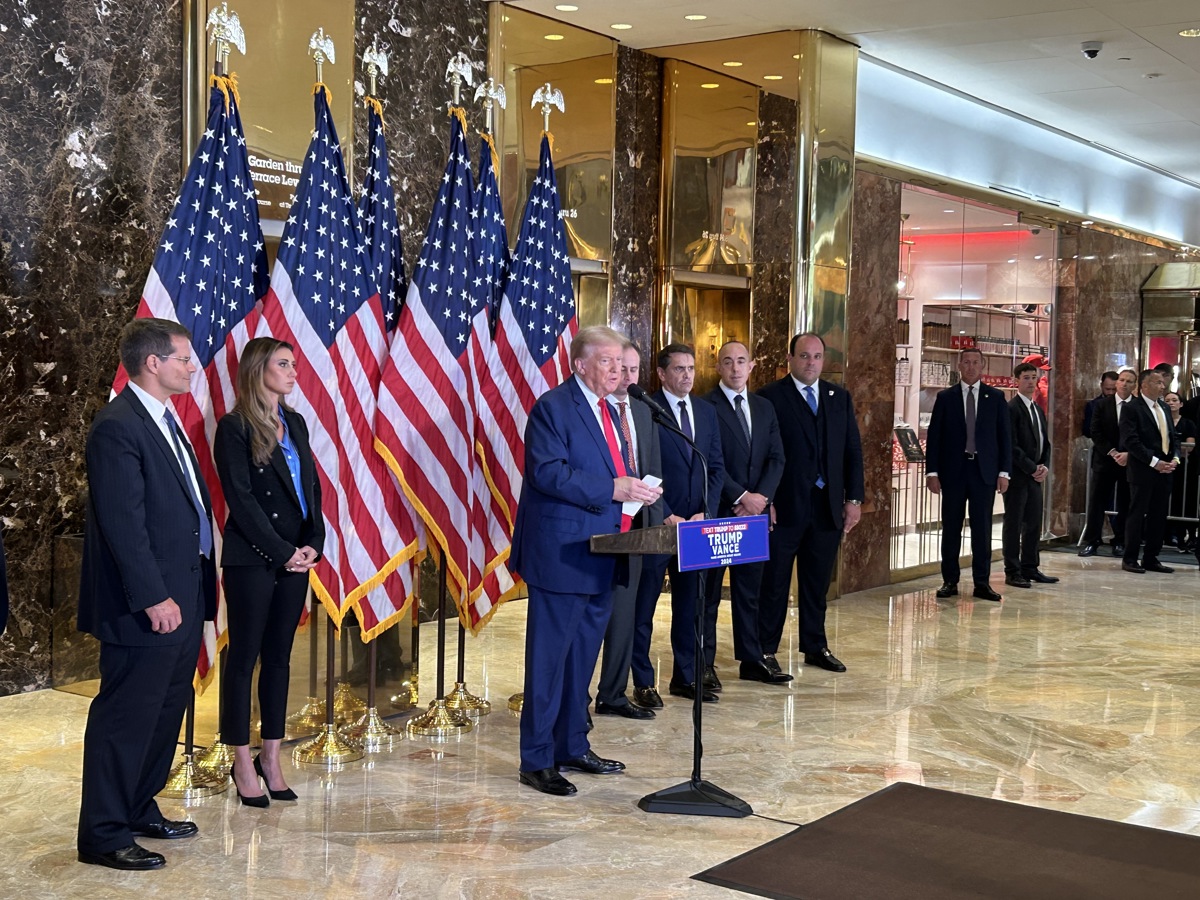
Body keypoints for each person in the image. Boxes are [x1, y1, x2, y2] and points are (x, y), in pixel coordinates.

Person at [76, 318, 216, 870]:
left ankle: (138, 805)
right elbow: (123, 524)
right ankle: (104, 833)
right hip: (147, 604)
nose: (191, 367)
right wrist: (153, 596)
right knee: (127, 716)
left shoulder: (164, 420)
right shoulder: (118, 426)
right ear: (153, 363)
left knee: (164, 711)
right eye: (183, 358)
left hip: (183, 595)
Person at [510, 326, 662, 796]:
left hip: (606, 549)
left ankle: (572, 744)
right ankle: (536, 759)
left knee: (581, 659)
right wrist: (613, 488)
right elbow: (548, 472)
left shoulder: (613, 412)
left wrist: (635, 493)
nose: (618, 370)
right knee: (550, 662)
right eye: (608, 361)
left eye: (621, 362)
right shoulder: (554, 407)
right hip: (562, 554)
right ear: (580, 364)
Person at [213, 338, 323, 807]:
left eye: (294, 363)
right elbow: (240, 498)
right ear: (259, 370)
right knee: (244, 659)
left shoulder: (294, 421)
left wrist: (313, 544)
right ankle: (241, 760)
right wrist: (282, 551)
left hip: (296, 557)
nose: (293, 370)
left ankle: (272, 758)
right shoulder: (233, 426)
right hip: (253, 557)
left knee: (279, 659)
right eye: (284, 364)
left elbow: (311, 490)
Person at [758, 333, 864, 673]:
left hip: (826, 507)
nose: (811, 363)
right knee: (773, 582)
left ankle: (815, 645)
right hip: (784, 507)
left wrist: (854, 499)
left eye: (817, 357)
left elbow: (852, 451)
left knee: (817, 583)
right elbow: (760, 455)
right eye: (804, 356)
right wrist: (766, 499)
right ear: (790, 358)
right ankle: (764, 650)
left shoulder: (838, 398)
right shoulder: (769, 397)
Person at [630, 343, 724, 702]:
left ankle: (685, 677)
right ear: (662, 373)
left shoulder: (706, 410)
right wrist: (665, 511)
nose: (687, 375)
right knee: (644, 608)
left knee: (691, 607)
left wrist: (706, 511)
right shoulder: (644, 409)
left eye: (691, 368)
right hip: (659, 523)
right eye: (679, 369)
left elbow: (714, 466)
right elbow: (640, 467)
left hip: (695, 527)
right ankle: (642, 681)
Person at [700, 340, 790, 684]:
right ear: (718, 368)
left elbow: (777, 458)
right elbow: (708, 460)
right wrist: (740, 495)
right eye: (728, 362)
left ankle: (752, 660)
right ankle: (705, 664)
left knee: (750, 592)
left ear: (752, 366)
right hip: (719, 511)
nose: (735, 368)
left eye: (741, 361)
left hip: (753, 514)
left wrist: (761, 498)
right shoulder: (704, 406)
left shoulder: (764, 407)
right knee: (708, 595)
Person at [594, 342, 665, 720]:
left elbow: (652, 464)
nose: (628, 376)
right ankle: (578, 696)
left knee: (627, 612)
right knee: (595, 611)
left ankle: (614, 692)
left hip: (639, 524)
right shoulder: (594, 409)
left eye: (635, 369)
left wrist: (660, 508)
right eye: (621, 367)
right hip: (600, 521)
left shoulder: (642, 409)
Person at [926, 347, 1012, 602]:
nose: (971, 366)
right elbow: (934, 438)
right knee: (951, 528)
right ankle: (949, 580)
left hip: (983, 472)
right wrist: (932, 472)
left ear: (982, 366)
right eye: (967, 362)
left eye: (976, 362)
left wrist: (1004, 472)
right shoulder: (946, 397)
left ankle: (982, 582)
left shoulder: (995, 397)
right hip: (953, 472)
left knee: (982, 529)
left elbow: (1004, 438)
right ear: (959, 365)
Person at [1002, 363, 1057, 589]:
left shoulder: (1037, 409)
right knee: (1014, 523)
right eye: (1026, 377)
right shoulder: (1011, 408)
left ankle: (1030, 566)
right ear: (1016, 381)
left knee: (1034, 522)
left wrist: (1043, 466)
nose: (1031, 382)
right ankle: (1013, 570)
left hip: (1035, 475)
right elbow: (1011, 445)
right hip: (1018, 475)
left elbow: (1044, 442)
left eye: (1034, 377)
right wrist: (1031, 467)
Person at [1120, 369, 1179, 574]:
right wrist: (1154, 462)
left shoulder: (1162, 406)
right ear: (1144, 385)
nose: (1163, 386)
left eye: (1163, 383)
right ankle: (1130, 558)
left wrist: (1175, 458)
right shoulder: (1132, 408)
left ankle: (1151, 558)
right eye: (1158, 383)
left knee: (1158, 515)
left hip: (1165, 471)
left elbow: (1173, 437)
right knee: (1137, 514)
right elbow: (1131, 440)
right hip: (1143, 470)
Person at [1079, 367, 1137, 557]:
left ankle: (1120, 541)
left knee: (1124, 502)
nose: (1124, 384)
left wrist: (1128, 453)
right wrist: (1112, 452)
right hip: (1105, 460)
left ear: (1134, 385)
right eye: (1121, 380)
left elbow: (1142, 434)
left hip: (1129, 461)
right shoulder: (1102, 405)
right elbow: (1095, 431)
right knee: (1097, 501)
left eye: (1129, 381)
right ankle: (1092, 541)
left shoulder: (1138, 406)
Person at [1163, 390, 1197, 550]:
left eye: (1174, 400)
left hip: (1183, 469)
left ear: (1181, 404)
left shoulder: (1188, 423)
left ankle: (1184, 535)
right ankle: (1167, 534)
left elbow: (1188, 447)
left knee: (1183, 500)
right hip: (1163, 466)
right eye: (1168, 400)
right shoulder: (1161, 421)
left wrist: (1173, 451)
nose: (1171, 403)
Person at [1081, 371, 1118, 440]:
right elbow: (1087, 431)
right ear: (1101, 386)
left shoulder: (1126, 404)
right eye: (1108, 389)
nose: (1111, 393)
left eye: (1114, 389)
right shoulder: (1093, 405)